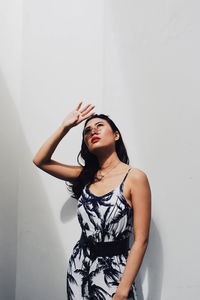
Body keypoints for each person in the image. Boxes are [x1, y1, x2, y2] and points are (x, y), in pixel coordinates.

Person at [32, 102, 151, 300]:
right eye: (87, 131)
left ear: (116, 135)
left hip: (115, 272)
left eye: (99, 126)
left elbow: (141, 240)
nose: (92, 131)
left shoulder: (135, 177)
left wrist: (123, 290)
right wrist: (65, 127)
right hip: (79, 269)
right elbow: (40, 160)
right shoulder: (85, 175)